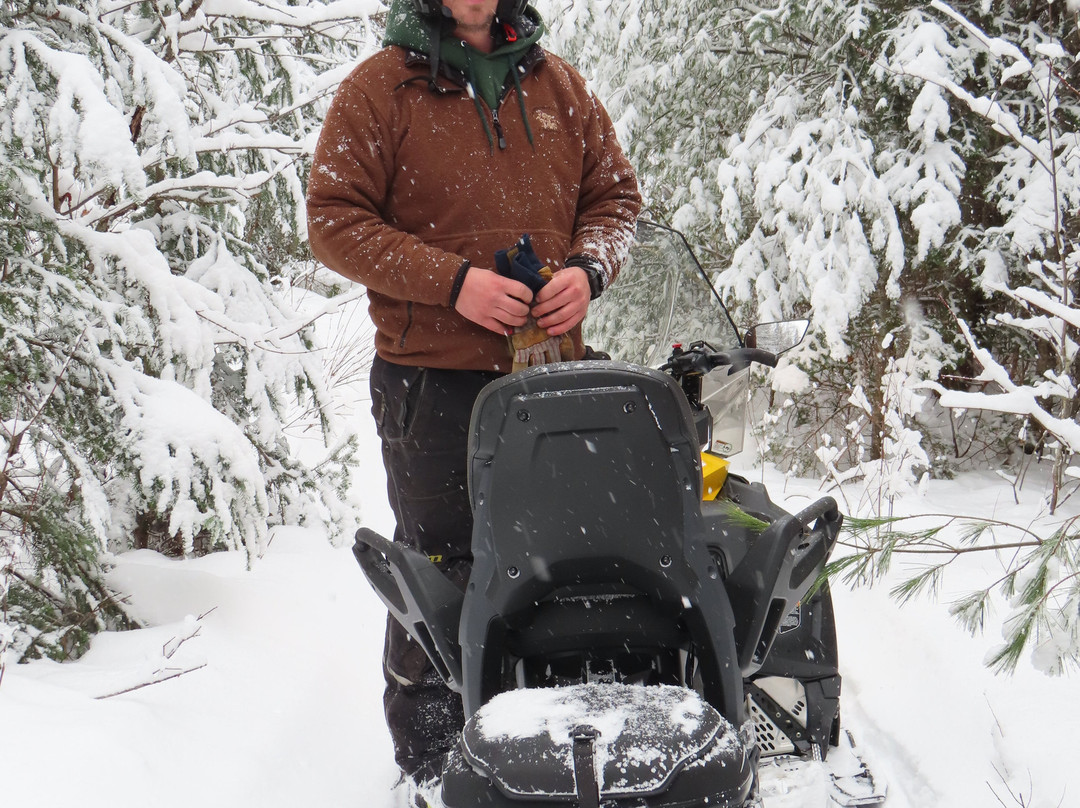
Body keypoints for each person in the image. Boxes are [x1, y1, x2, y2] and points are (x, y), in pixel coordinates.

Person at [305, 0, 641, 795]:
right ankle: (430, 764)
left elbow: (617, 202)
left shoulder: (561, 86)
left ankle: (551, 741)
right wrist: (452, 283)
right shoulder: (379, 89)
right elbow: (332, 219)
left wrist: (588, 270)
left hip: (552, 374)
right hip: (432, 383)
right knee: (440, 569)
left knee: (564, 558)